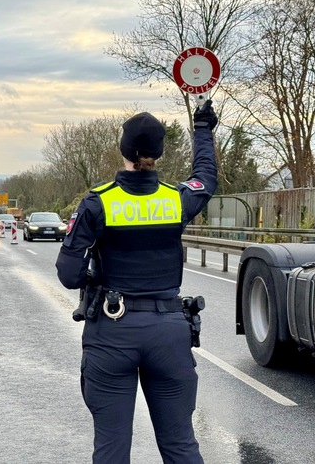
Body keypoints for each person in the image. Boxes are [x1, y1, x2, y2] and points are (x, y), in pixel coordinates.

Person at [55, 101, 218, 464]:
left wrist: (94, 280)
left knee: (111, 449)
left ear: (124, 150)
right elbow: (206, 176)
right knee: (180, 445)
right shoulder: (176, 199)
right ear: (158, 154)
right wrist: (203, 129)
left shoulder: (98, 202)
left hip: (112, 333)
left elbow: (68, 275)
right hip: (168, 334)